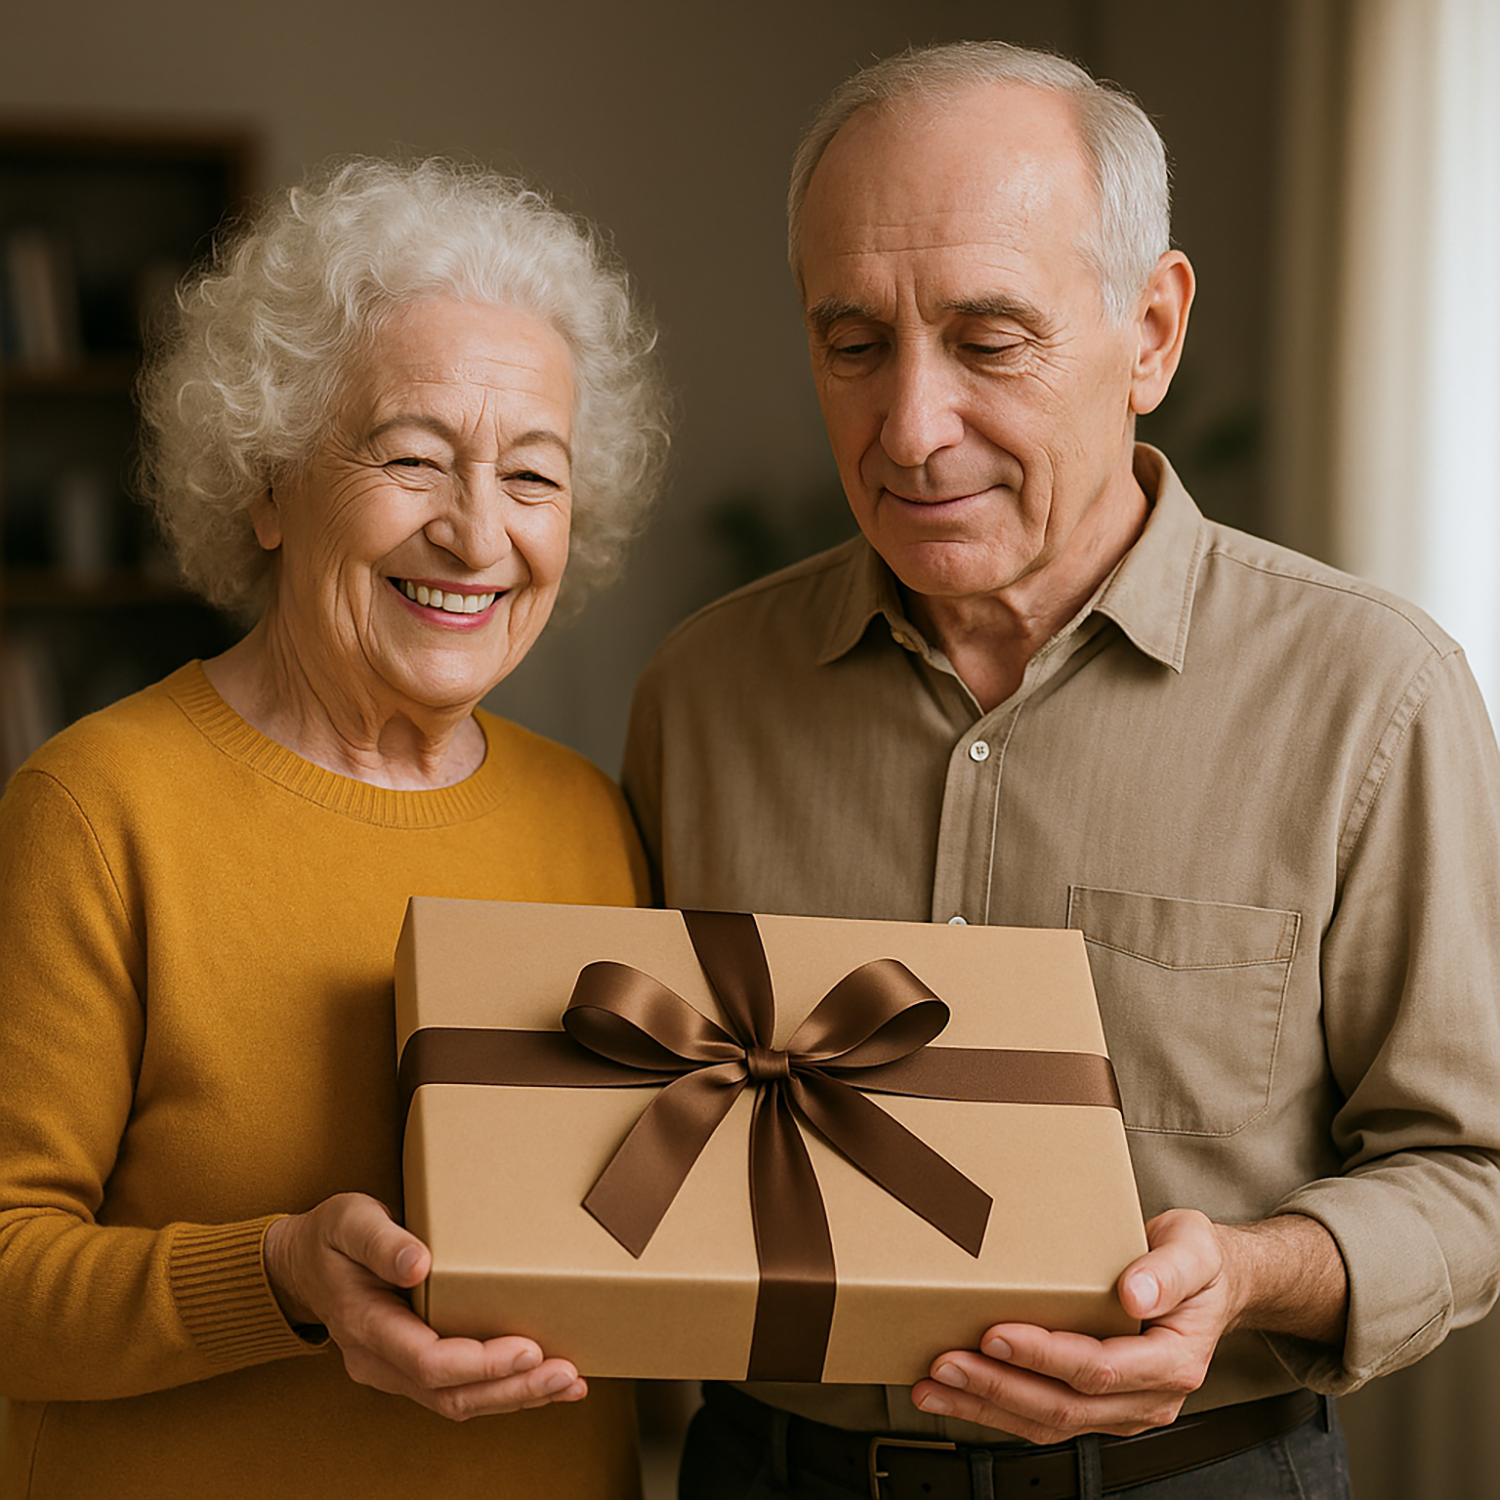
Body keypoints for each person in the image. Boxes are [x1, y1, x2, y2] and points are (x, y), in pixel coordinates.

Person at [622, 40, 1500, 1500]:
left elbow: (1473, 1176)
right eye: (853, 344)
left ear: (1149, 331)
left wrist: (1249, 1271)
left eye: (987, 339)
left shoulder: (1376, 694)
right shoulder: (699, 694)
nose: (910, 429)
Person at [0, 157, 668, 1500]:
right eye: (411, 457)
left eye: (531, 477)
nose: (477, 534)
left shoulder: (590, 816)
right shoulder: (96, 807)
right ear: (266, 485)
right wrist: (279, 1275)